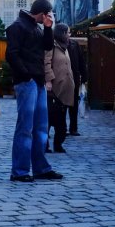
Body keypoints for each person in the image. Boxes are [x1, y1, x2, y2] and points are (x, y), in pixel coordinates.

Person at [5, 0, 64, 182]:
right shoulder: (18, 26)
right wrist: (26, 74)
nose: (49, 17)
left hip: (37, 82)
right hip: (27, 81)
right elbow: (11, 55)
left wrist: (48, 28)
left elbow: (47, 46)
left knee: (40, 128)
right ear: (42, 13)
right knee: (26, 127)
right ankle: (20, 171)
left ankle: (40, 168)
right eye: (47, 15)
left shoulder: (36, 27)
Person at [44, 23, 76, 153]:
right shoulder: (51, 46)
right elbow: (46, 63)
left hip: (65, 89)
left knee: (61, 120)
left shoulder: (65, 47)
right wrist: (49, 80)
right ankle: (45, 144)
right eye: (68, 32)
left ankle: (58, 143)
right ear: (62, 33)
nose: (69, 34)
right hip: (54, 89)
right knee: (50, 118)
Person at [66, 35, 87, 135]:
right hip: (60, 79)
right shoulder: (55, 44)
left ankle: (73, 128)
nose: (68, 35)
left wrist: (84, 76)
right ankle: (61, 128)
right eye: (67, 32)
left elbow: (81, 61)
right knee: (61, 106)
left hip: (74, 78)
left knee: (73, 105)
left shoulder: (74, 44)